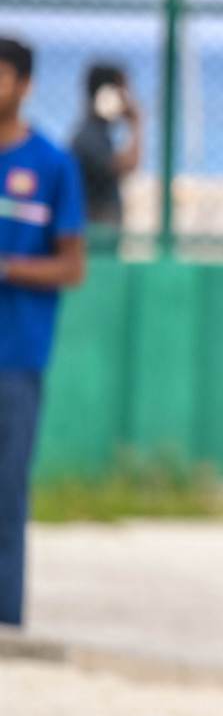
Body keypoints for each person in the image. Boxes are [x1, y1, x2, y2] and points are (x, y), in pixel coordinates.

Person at [0, 36, 86, 626]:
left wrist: (8, 268)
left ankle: (7, 626)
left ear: (25, 85)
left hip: (15, 357)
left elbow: (72, 266)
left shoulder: (52, 165)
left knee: (6, 498)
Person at [67, 62, 142, 229]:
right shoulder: (89, 137)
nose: (128, 100)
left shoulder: (97, 132)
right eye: (123, 93)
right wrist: (136, 124)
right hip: (95, 234)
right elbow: (129, 165)